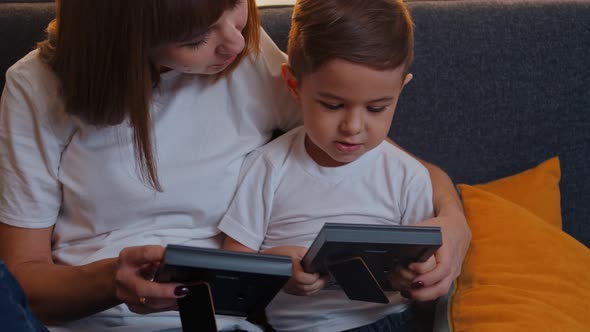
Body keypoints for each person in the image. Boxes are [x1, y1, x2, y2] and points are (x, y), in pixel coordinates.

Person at [0, 0, 470, 331]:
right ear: (126, 37)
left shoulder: (245, 51)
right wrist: (109, 283)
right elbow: (27, 278)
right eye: (196, 37)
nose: (232, 40)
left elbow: (367, 152)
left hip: (217, 321)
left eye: (236, 5)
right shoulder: (34, 89)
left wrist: (452, 219)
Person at [220, 1, 439, 331]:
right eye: (333, 105)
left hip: (386, 321)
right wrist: (278, 268)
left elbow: (428, 265)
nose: (353, 126)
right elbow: (233, 267)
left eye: (377, 108)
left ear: (400, 90)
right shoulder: (267, 168)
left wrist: (416, 275)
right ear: (295, 86)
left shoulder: (407, 176)